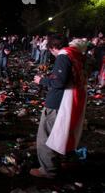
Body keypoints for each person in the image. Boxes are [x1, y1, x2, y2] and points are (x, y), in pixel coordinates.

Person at [31, 35, 88, 179]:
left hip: (57, 103)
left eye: (51, 51)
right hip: (69, 101)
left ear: (54, 47)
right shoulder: (76, 55)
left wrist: (41, 80)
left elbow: (59, 82)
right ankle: (63, 160)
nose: (52, 54)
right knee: (61, 134)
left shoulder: (63, 57)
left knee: (46, 136)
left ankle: (48, 170)